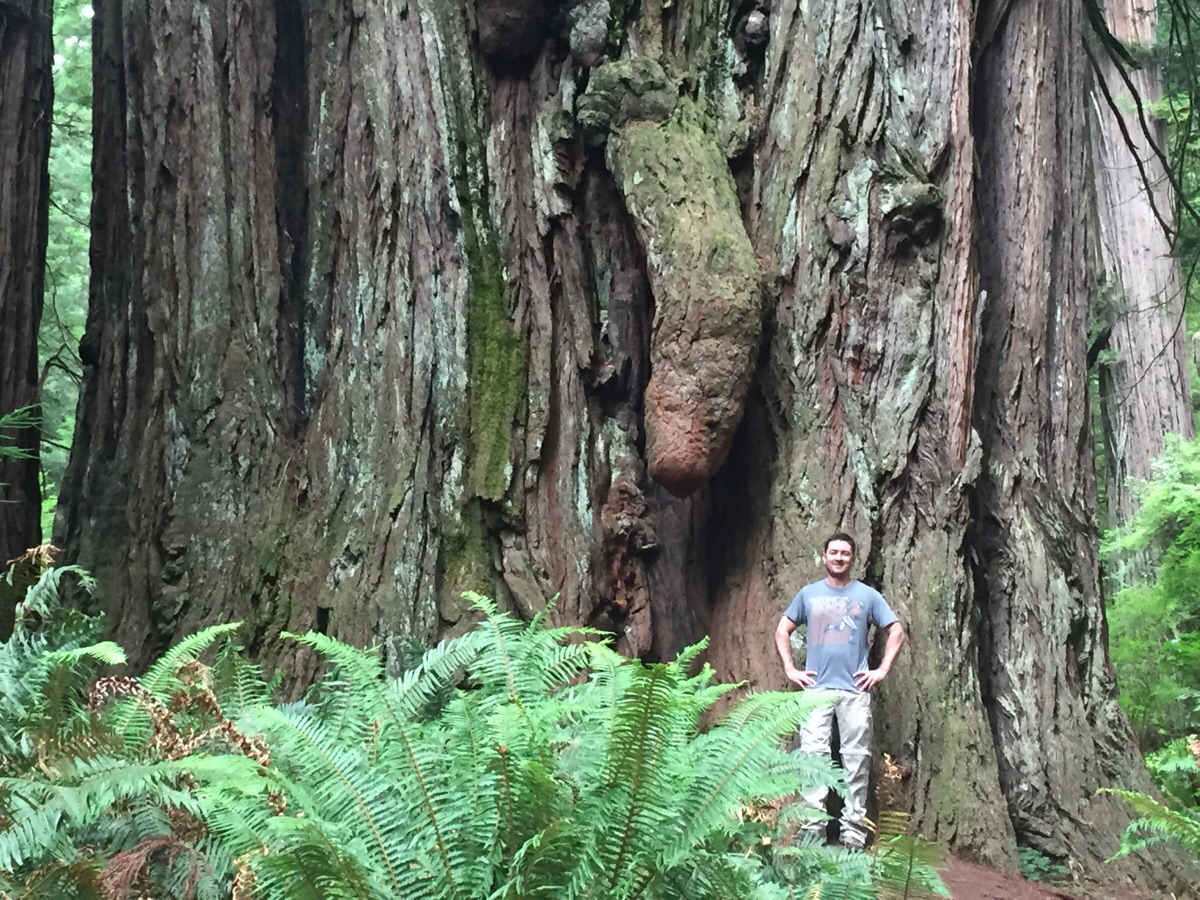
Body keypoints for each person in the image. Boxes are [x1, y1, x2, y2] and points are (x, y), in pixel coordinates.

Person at [774, 532, 905, 849]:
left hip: (854, 691)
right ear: (824, 556)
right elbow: (782, 629)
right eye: (834, 552)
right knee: (813, 758)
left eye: (845, 553)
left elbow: (896, 629)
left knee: (856, 760)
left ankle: (853, 832)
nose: (839, 557)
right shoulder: (808, 594)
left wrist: (882, 669)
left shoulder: (867, 596)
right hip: (815, 689)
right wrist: (791, 669)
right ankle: (812, 828)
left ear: (853, 558)